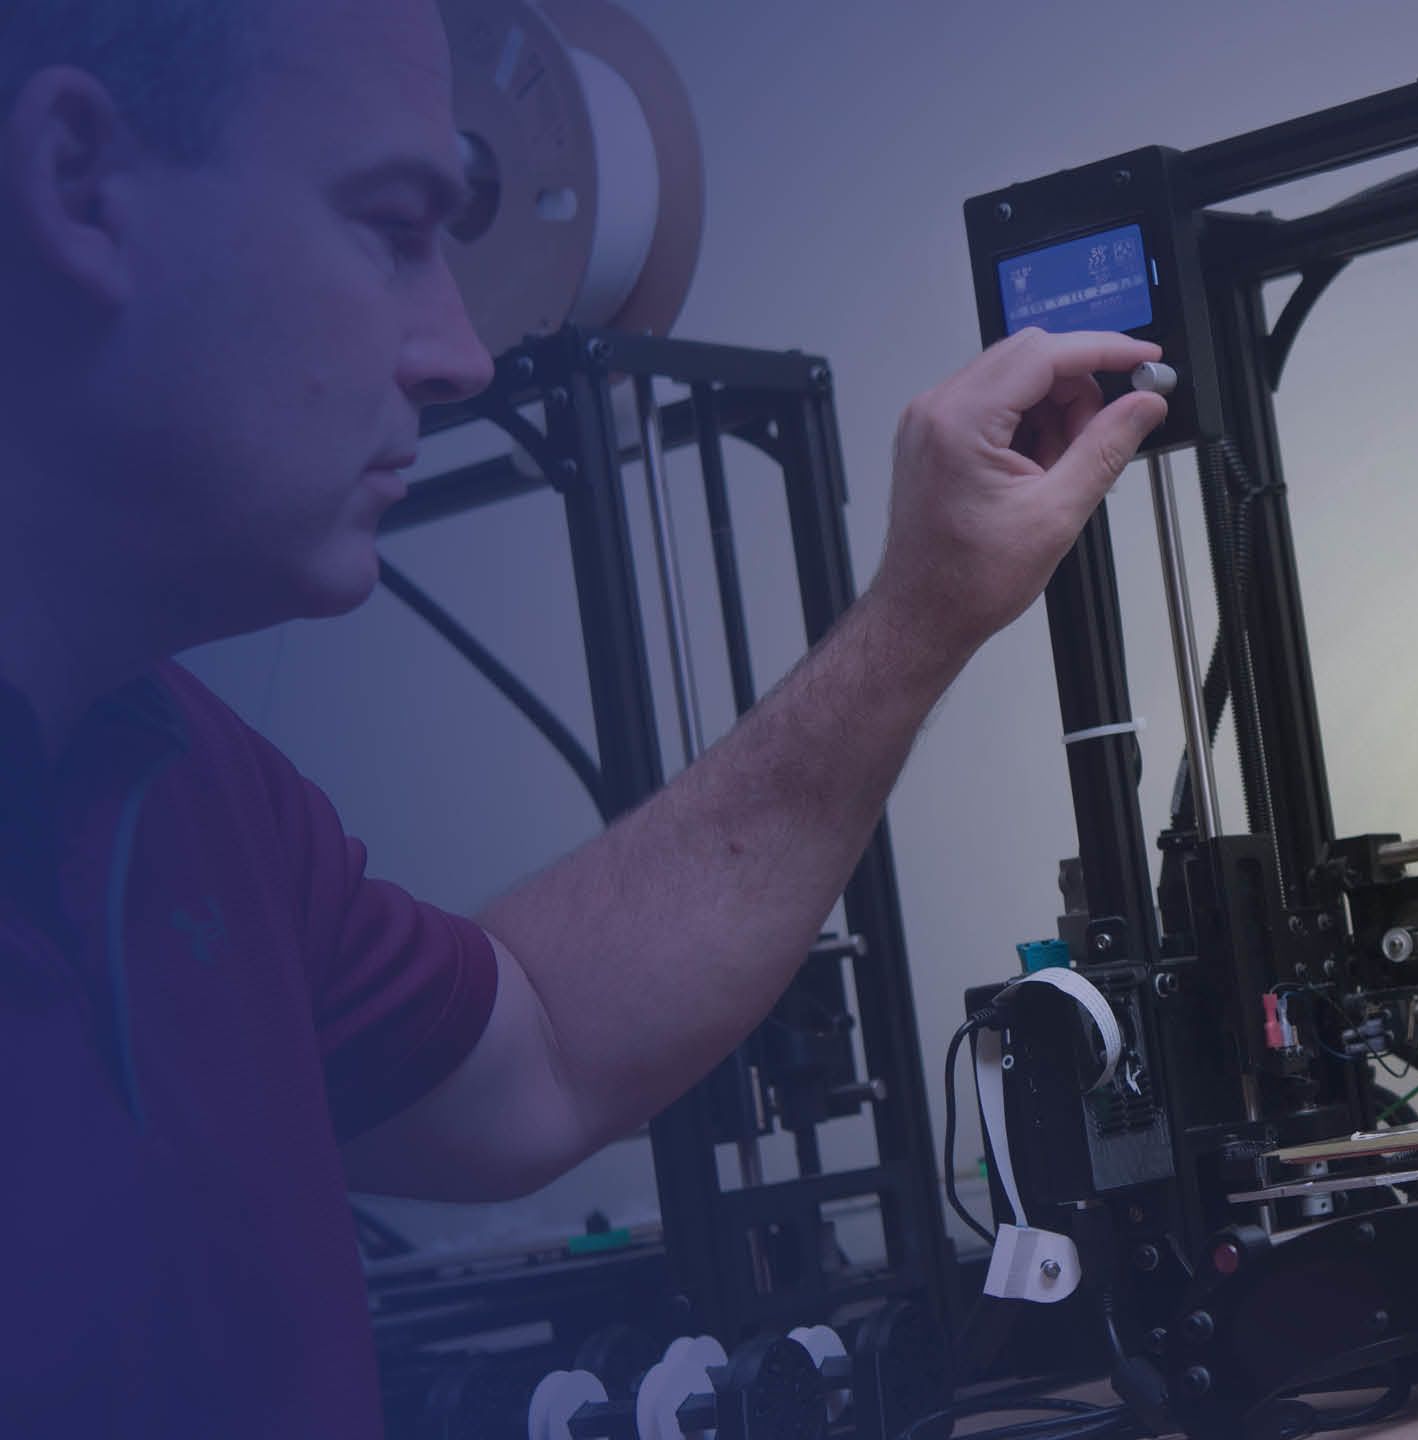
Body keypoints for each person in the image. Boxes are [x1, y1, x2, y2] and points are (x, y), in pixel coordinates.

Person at [0, 0, 1167, 1433]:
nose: (459, 353)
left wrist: (920, 616)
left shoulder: (187, 780)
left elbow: (538, 1046)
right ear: (77, 181)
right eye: (389, 225)